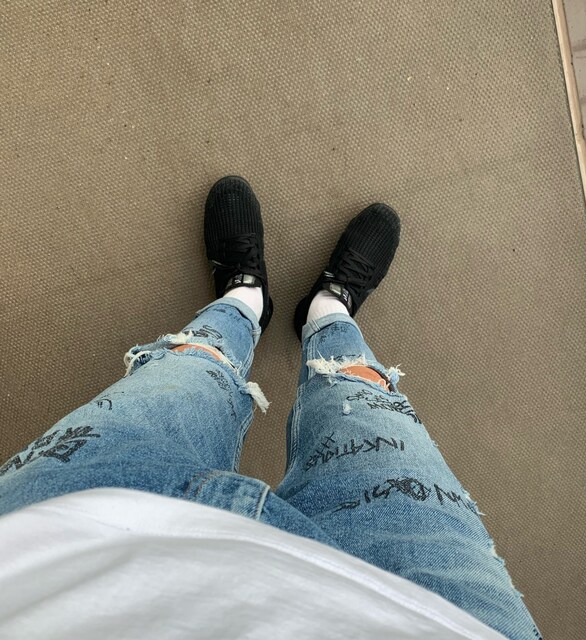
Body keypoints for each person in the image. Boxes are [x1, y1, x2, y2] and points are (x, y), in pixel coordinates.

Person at [0, 177, 541, 639]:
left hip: (66, 547)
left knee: (187, 373)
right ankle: (328, 309)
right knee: (361, 398)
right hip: (436, 615)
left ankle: (243, 300)